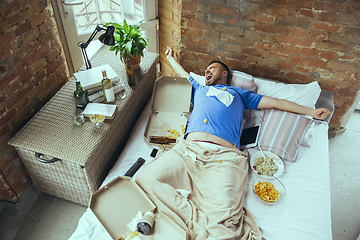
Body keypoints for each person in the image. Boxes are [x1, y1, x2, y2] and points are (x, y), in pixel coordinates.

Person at [135, 47, 331, 240]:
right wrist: (169, 58)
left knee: (224, 227)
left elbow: (277, 103)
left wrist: (309, 112)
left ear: (225, 73)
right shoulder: (200, 88)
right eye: (206, 70)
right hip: (189, 152)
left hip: (224, 159)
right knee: (145, 178)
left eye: (212, 68)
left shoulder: (240, 94)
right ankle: (198, 224)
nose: (207, 71)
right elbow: (183, 73)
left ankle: (197, 225)